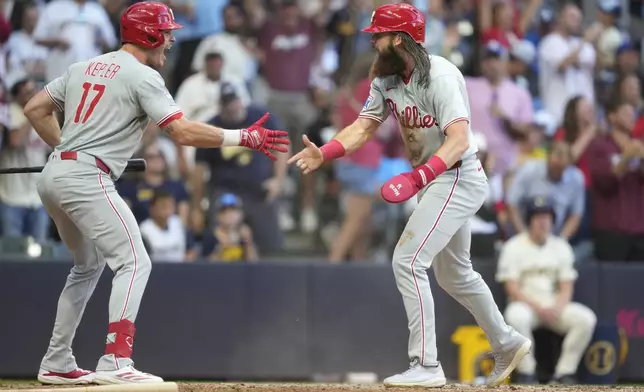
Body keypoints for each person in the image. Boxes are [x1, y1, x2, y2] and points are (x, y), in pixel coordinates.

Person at [24, 2, 288, 386]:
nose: (171, 39)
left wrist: (68, 148)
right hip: (85, 177)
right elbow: (181, 133)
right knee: (135, 262)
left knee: (87, 266)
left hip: (55, 174)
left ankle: (57, 360)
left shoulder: (83, 67)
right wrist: (243, 136)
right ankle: (116, 360)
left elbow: (34, 108)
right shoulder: (143, 76)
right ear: (148, 34)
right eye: (166, 32)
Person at [288, 3, 529, 388]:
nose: (374, 44)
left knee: (407, 259)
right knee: (454, 274)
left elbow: (460, 139)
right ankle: (506, 340)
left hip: (456, 176)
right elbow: (363, 127)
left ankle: (426, 365)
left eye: (379, 37)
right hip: (434, 179)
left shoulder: (441, 76)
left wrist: (419, 178)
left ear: (398, 39)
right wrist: (327, 151)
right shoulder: (386, 80)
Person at [497, 197, 597, 385]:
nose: (543, 222)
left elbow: (567, 286)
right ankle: (527, 372)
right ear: (529, 221)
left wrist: (557, 307)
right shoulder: (513, 246)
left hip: (554, 305)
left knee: (586, 318)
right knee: (516, 316)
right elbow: (511, 288)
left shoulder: (561, 246)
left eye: (547, 217)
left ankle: (564, 373)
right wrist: (537, 307)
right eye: (538, 217)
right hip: (526, 305)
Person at [140, 190, 197, 263]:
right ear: (152, 208)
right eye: (163, 206)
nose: (167, 210)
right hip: (155, 271)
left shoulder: (178, 223)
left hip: (180, 270)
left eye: (170, 206)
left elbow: (191, 250)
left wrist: (190, 256)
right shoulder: (144, 229)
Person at [201, 193, 259, 263]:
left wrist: (247, 243)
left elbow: (253, 264)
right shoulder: (211, 236)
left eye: (233, 211)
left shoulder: (244, 234)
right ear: (218, 216)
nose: (229, 215)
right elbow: (206, 265)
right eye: (224, 212)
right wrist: (221, 247)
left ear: (240, 214)